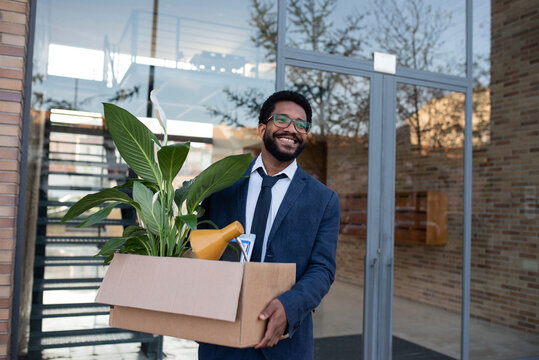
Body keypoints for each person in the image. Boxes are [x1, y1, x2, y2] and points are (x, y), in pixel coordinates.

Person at [198, 90, 340, 359]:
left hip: (285, 345)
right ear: (262, 128)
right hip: (221, 338)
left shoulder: (324, 200)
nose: (292, 129)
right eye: (283, 120)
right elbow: (198, 249)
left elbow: (322, 269)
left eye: (301, 124)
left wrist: (290, 306)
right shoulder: (220, 184)